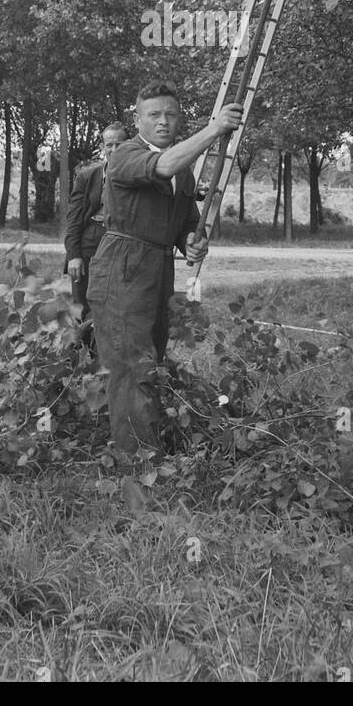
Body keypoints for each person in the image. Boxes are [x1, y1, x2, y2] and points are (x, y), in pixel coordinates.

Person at [86, 82, 242, 457]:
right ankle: (136, 466)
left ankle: (147, 449)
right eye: (153, 115)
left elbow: (184, 223)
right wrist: (216, 128)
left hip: (158, 268)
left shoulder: (183, 174)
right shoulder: (125, 154)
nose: (163, 122)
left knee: (150, 360)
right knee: (129, 365)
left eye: (170, 115)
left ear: (179, 118)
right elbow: (164, 165)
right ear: (137, 120)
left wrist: (191, 240)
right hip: (121, 267)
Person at [64, 121, 128, 354]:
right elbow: (73, 218)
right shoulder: (87, 176)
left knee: (115, 300)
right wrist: (74, 256)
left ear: (128, 145)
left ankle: (108, 356)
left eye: (119, 144)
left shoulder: (136, 175)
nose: (113, 149)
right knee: (83, 301)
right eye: (109, 144)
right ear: (102, 147)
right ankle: (80, 358)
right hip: (91, 237)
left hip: (121, 239)